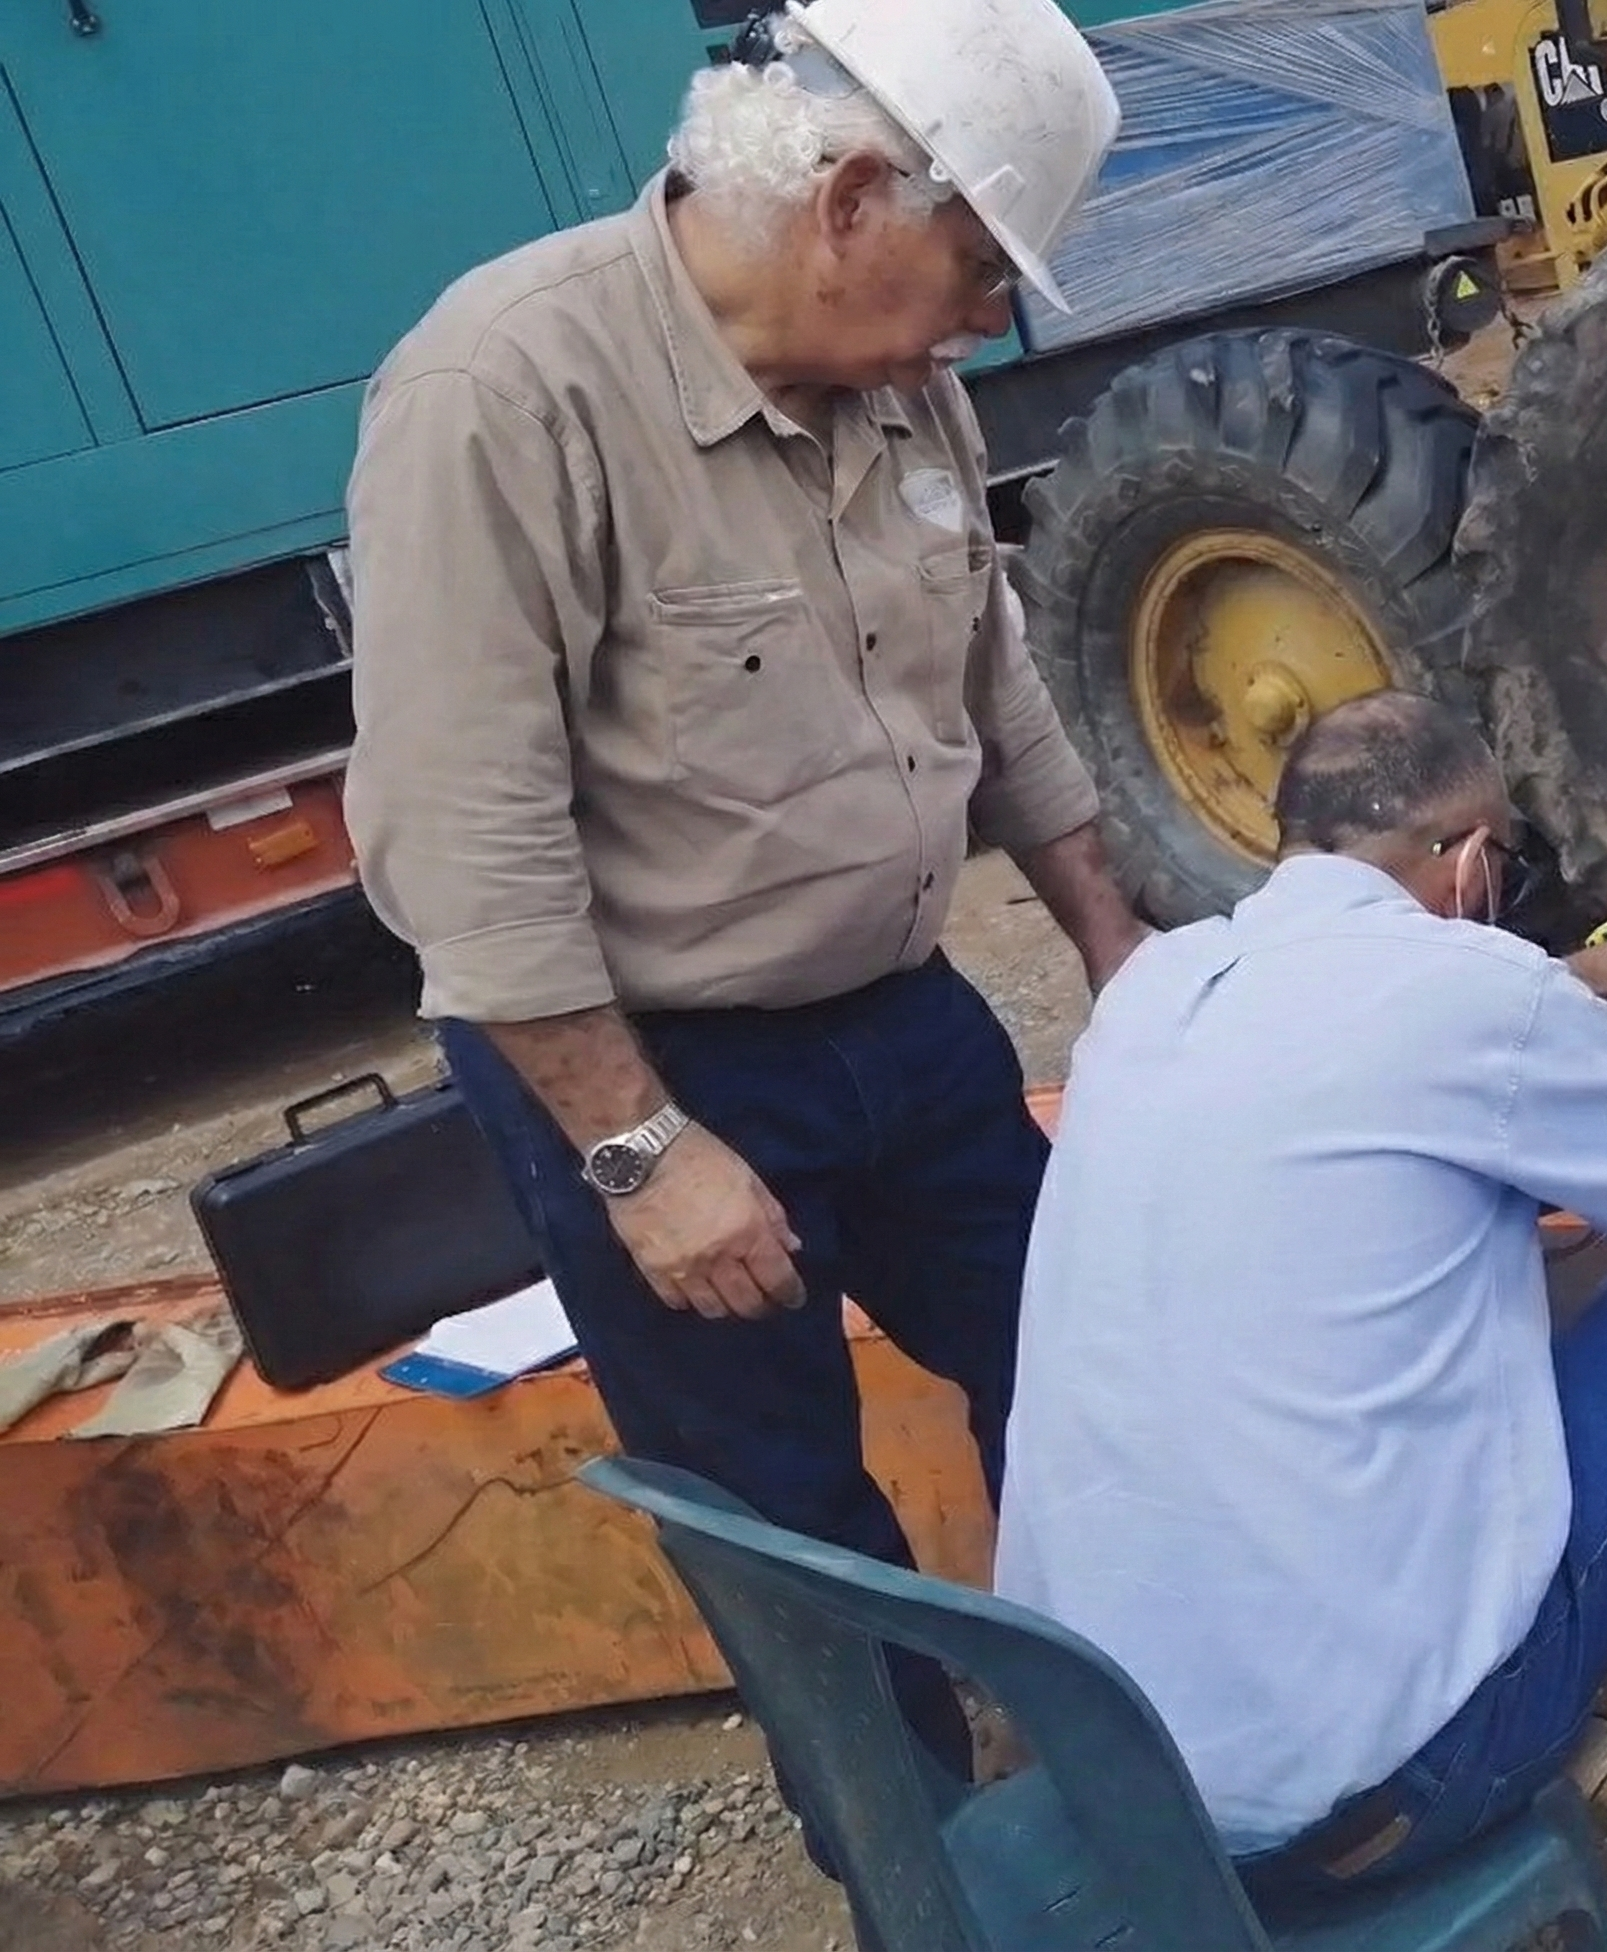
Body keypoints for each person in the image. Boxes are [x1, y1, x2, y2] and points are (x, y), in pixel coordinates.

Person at [342, 0, 1146, 1804]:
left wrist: (1108, 929)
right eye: (976, 269)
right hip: (652, 1070)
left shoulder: (893, 369)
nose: (986, 323)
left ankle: (1159, 1776)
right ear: (853, 196)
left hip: (901, 1019)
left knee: (1094, 1354)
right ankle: (926, 1888)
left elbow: (989, 671)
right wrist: (641, 1157)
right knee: (798, 1532)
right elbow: (465, 841)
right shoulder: (506, 388)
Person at [995, 691, 1607, 1937]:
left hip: (1109, 1780)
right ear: (1467, 862)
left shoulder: (1150, 991)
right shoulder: (1482, 999)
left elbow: (1391, 1024)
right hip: (1364, 1807)